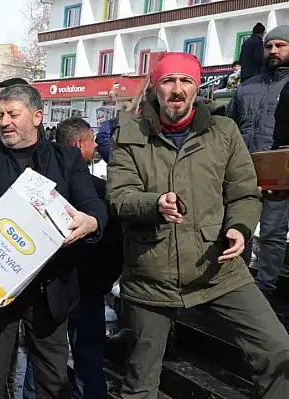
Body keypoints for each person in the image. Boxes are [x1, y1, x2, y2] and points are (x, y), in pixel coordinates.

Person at [107, 51, 289, 398]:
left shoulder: (223, 130)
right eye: (168, 81)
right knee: (140, 381)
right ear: (156, 89)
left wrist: (239, 227)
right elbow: (119, 196)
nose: (177, 90)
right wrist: (154, 203)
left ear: (197, 87)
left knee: (277, 349)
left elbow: (244, 194)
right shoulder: (130, 132)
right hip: (151, 275)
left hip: (217, 266)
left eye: (186, 81)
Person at [0, 84, 107, 398]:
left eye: (13, 114)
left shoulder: (67, 159)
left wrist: (91, 221)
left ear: (37, 116)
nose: (3, 122)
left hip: (51, 290)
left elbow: (93, 205)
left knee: (52, 379)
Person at [55, 117, 124, 399]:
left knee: (51, 357)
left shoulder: (41, 184)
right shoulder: (99, 190)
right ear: (79, 144)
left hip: (60, 287)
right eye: (91, 140)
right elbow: (113, 243)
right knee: (87, 355)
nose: (96, 145)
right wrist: (105, 280)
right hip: (85, 287)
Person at [228, 25, 289, 293]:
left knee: (273, 234)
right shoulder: (245, 88)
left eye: (280, 45)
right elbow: (228, 128)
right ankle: (238, 286)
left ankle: (265, 287)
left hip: (280, 175)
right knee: (240, 227)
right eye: (269, 46)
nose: (273, 50)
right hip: (243, 173)